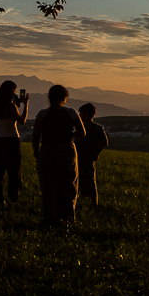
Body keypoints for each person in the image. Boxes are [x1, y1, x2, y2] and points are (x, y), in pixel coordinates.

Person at [32, 85, 85, 227]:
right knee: (68, 185)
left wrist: (37, 152)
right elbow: (82, 132)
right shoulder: (71, 113)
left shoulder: (42, 114)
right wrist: (69, 135)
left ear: (49, 98)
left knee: (48, 186)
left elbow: (36, 136)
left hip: (47, 150)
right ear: (65, 98)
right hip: (67, 151)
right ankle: (67, 219)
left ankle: (49, 218)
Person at [0, 80, 29, 205]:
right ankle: (13, 197)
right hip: (12, 139)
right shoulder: (11, 106)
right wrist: (26, 105)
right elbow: (22, 121)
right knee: (14, 171)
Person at [75, 103, 109, 207]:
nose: (79, 115)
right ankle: (95, 205)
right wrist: (96, 154)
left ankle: (74, 204)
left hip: (79, 158)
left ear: (86, 113)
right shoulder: (98, 128)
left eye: (81, 113)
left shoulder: (79, 127)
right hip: (88, 159)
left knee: (76, 182)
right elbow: (104, 142)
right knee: (90, 182)